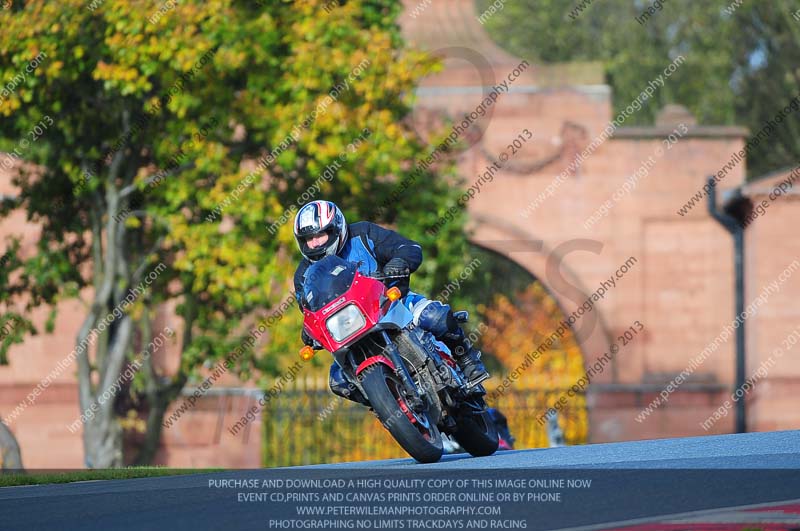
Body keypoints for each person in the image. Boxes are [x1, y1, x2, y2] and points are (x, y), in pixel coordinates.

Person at [292, 199, 489, 406]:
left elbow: (408, 247)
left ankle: (466, 359)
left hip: (393, 305)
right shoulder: (303, 275)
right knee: (338, 381)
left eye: (320, 235)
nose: (314, 243)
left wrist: (399, 261)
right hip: (349, 332)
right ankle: (386, 404)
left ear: (336, 229)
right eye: (308, 239)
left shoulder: (363, 234)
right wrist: (310, 331)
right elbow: (308, 311)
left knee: (434, 316)